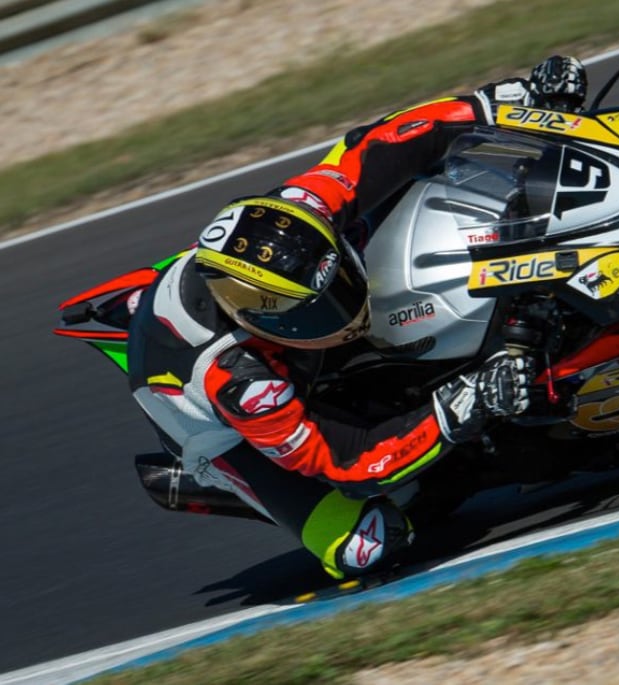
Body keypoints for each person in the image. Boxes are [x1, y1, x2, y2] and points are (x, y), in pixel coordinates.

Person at [126, 56, 589, 580]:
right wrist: (466, 403)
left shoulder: (298, 213)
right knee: (366, 545)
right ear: (262, 317)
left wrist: (504, 100)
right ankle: (218, 478)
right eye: (320, 307)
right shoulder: (242, 382)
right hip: (213, 427)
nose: (345, 312)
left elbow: (383, 142)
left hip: (246, 298)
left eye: (338, 286)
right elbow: (345, 461)